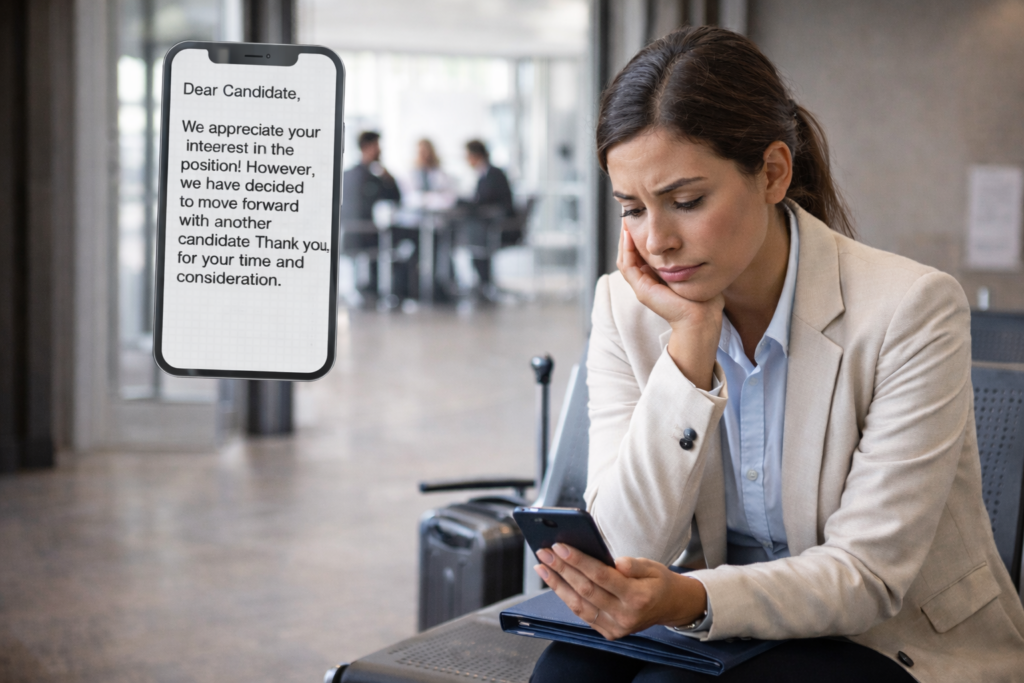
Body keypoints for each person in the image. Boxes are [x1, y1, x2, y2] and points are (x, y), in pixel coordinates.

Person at [530, 26, 1024, 683]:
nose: (657, 241)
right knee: (564, 673)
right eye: (633, 209)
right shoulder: (625, 306)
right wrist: (690, 345)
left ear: (772, 173)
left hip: (887, 638)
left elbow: (867, 574)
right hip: (724, 620)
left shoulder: (912, 308)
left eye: (685, 201)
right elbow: (625, 546)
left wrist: (690, 598)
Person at [340, 131, 401, 300]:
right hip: (358, 232)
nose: (380, 150)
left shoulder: (372, 177)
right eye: (377, 146)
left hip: (361, 232)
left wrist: (387, 176)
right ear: (367, 147)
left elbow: (395, 198)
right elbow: (395, 197)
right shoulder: (357, 176)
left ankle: (372, 290)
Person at [457, 139, 514, 297]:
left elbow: (485, 200)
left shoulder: (494, 174)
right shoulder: (483, 174)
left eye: (468, 156)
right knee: (471, 229)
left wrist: (465, 203)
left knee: (472, 232)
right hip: (488, 222)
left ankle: (484, 283)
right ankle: (482, 282)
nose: (467, 160)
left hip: (500, 225)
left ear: (476, 155)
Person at [402, 138, 457, 211]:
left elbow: (449, 197)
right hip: (415, 212)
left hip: (437, 212)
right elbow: (408, 197)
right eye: (422, 152)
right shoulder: (409, 175)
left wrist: (430, 199)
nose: (426, 155)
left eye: (428, 152)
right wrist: (427, 199)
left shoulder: (442, 175)